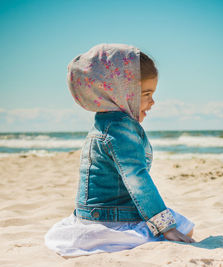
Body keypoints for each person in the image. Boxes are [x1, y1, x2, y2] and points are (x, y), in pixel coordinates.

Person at [45, 43, 195, 257]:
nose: (153, 102)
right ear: (118, 92)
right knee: (183, 226)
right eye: (146, 93)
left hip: (91, 216)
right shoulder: (120, 128)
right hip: (112, 219)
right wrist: (166, 227)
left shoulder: (104, 122)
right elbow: (137, 178)